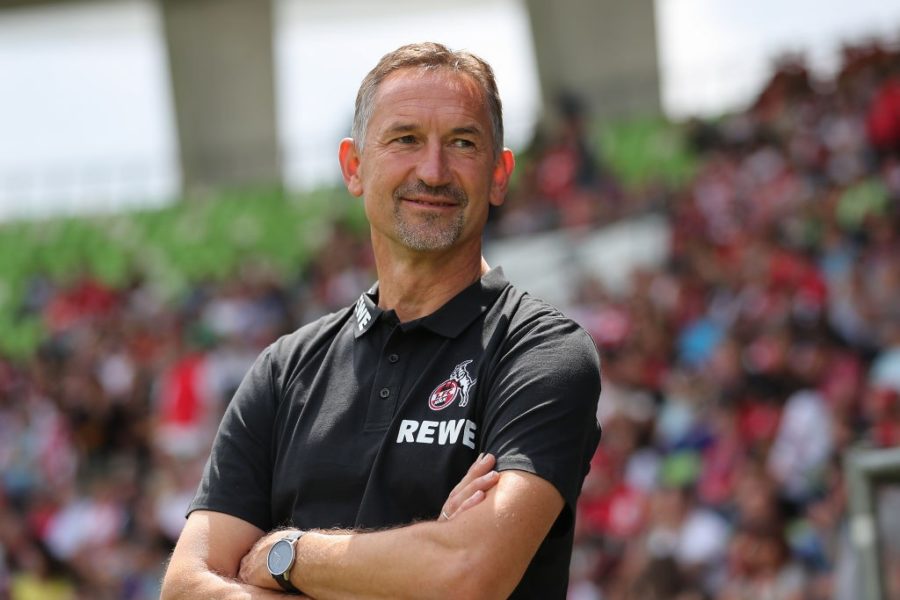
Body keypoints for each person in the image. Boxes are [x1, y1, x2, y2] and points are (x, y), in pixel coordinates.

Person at [161, 41, 602, 599]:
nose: (434, 170)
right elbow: (184, 588)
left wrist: (284, 554)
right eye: (405, 139)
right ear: (354, 167)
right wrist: (417, 563)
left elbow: (467, 573)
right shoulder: (283, 371)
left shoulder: (541, 352)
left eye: (463, 143)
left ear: (498, 174)